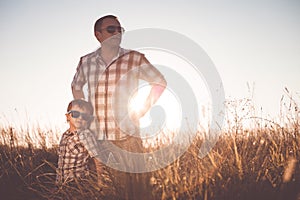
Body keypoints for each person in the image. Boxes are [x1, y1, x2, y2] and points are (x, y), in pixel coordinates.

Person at [71, 14, 167, 199]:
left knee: (139, 191)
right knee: (108, 191)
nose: (117, 33)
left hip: (129, 137)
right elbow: (76, 87)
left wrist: (140, 111)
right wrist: (85, 117)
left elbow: (159, 82)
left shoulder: (133, 58)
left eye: (119, 29)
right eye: (111, 29)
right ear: (98, 34)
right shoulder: (86, 61)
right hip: (99, 138)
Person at [56, 99, 102, 187]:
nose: (80, 118)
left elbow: (98, 159)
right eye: (75, 114)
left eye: (85, 116)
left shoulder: (85, 135)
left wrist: (100, 182)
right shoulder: (64, 135)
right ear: (67, 116)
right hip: (61, 183)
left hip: (77, 184)